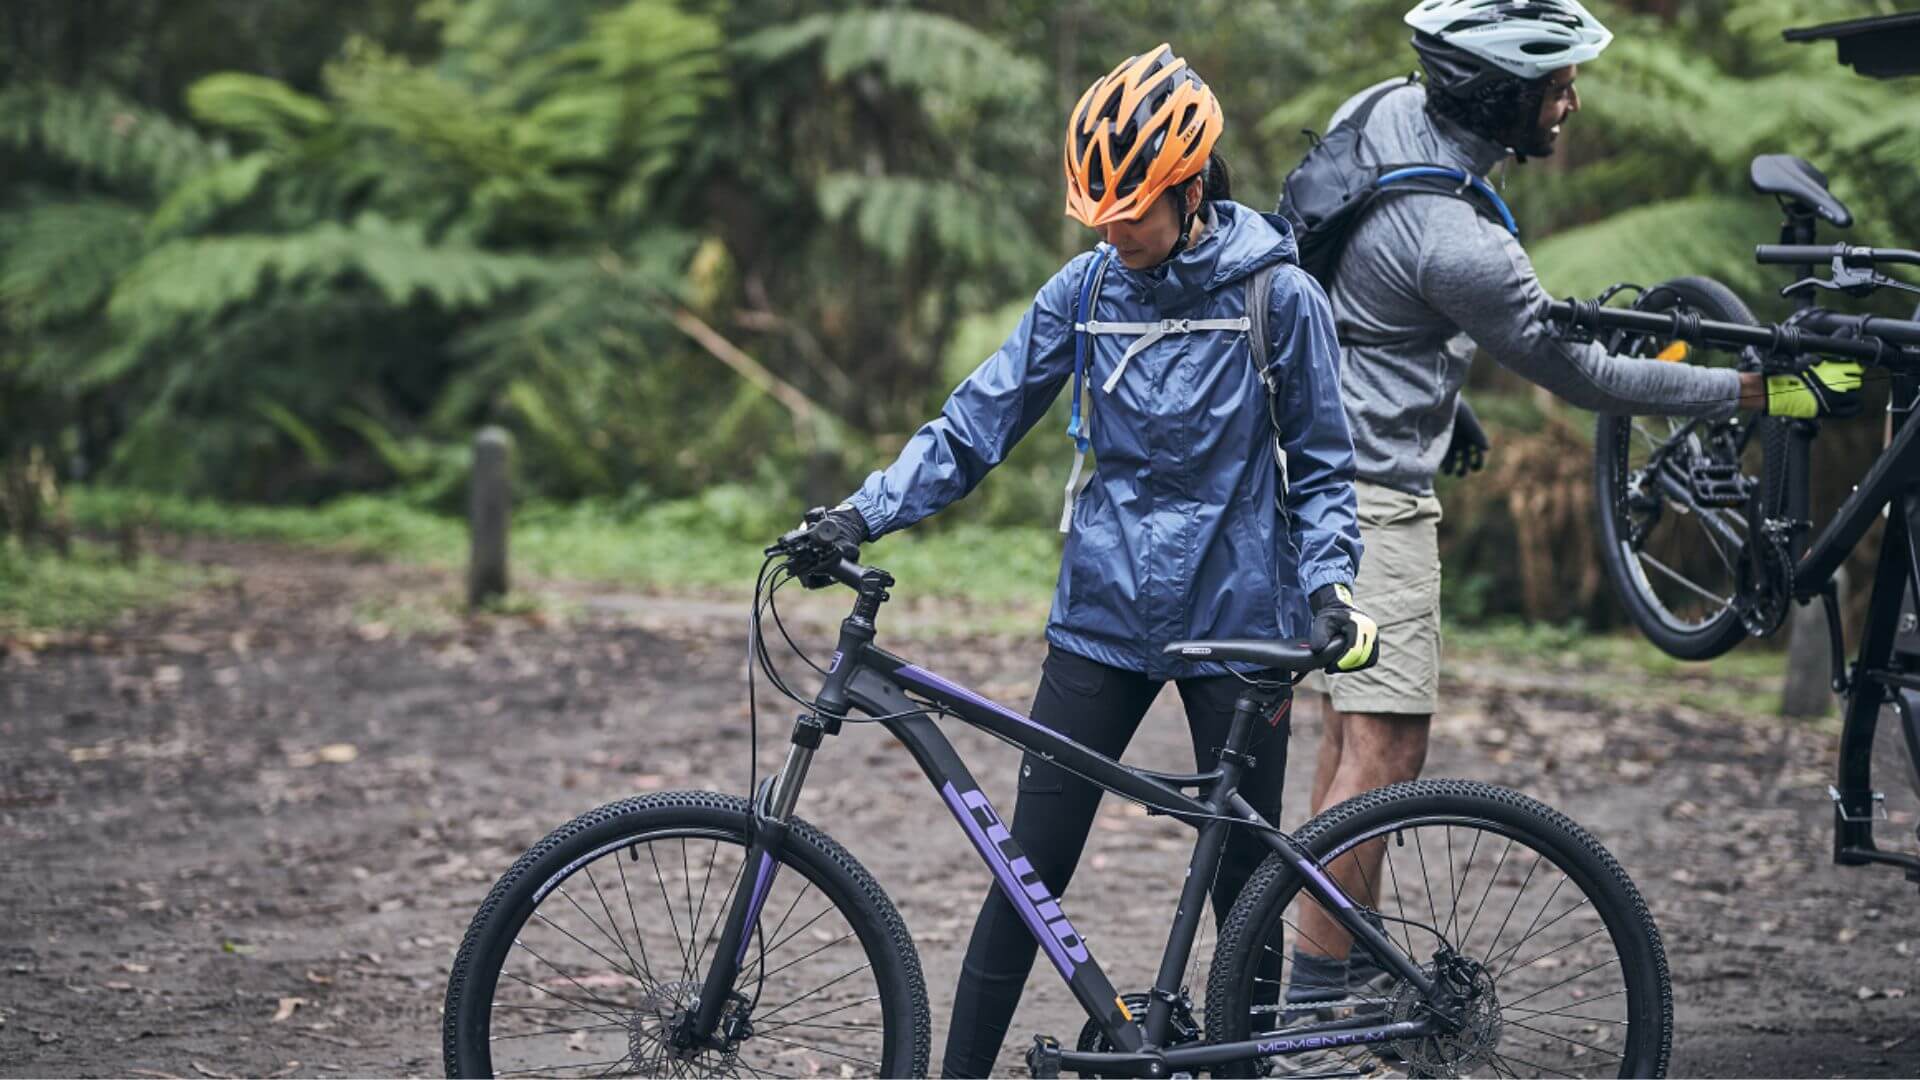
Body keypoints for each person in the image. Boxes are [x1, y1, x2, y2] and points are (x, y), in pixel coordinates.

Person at [1280, 0, 1868, 1050]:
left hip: (1302, 464)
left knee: (1347, 733)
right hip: (1370, 497)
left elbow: (1337, 271)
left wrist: (1433, 388)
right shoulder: (1465, 246)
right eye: (1556, 86)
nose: (1572, 101)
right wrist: (1756, 395)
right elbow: (1586, 375)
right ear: (1500, 99)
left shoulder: (1376, 114)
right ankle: (1321, 1006)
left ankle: (1318, 963)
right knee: (1387, 745)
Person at [795, 44, 1379, 1076]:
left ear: (1192, 190)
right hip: (1102, 620)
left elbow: (1328, 468)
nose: (1114, 233)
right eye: (1097, 215)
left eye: (1134, 212)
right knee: (1028, 872)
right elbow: (972, 427)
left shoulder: (1276, 296)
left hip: (1241, 618)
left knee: (1244, 888)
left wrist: (1332, 585)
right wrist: (858, 515)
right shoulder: (1085, 290)